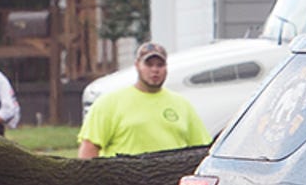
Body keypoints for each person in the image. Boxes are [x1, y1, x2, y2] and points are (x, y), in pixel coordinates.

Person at [76, 41, 212, 159]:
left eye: (160, 65)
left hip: (168, 182)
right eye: (149, 64)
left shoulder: (182, 105)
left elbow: (201, 149)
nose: (155, 70)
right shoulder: (109, 103)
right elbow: (89, 148)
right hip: (123, 182)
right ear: (137, 65)